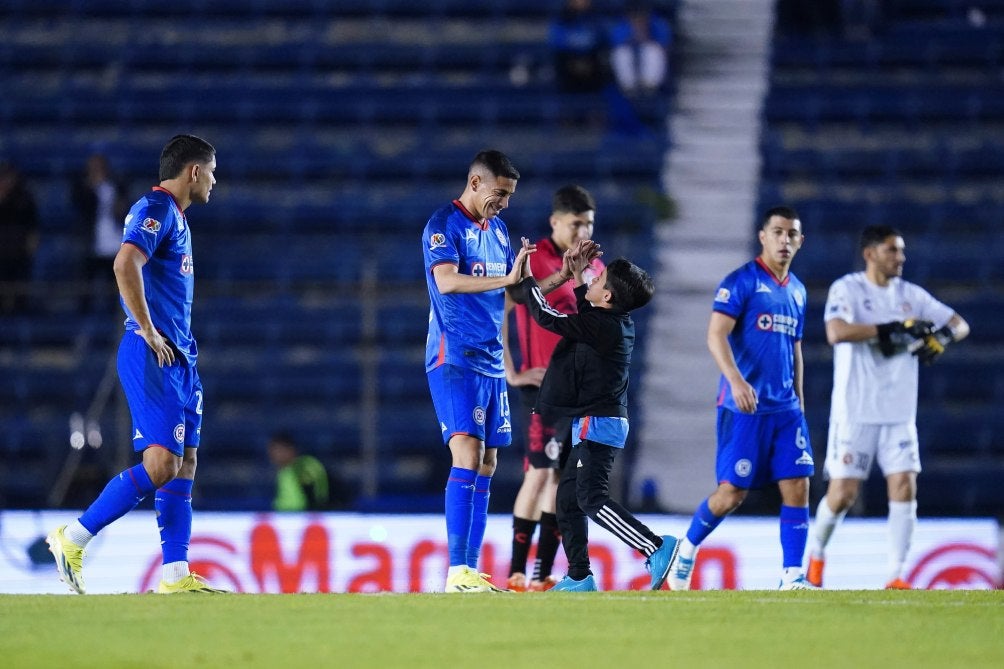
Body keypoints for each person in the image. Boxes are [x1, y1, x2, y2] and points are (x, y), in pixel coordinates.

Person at [46, 134, 224, 595]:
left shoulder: (176, 218)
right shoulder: (157, 207)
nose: (214, 179)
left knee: (184, 463)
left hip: (181, 358)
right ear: (193, 172)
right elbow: (125, 263)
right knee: (162, 463)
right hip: (153, 352)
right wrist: (145, 329)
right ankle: (75, 536)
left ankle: (175, 574)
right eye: (212, 170)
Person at [807, 225, 970, 589]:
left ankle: (896, 575)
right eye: (893, 250)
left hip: (898, 413)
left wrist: (942, 336)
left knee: (904, 485)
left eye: (902, 251)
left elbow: (961, 324)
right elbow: (836, 332)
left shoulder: (911, 295)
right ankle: (816, 553)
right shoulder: (848, 289)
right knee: (843, 494)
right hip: (855, 411)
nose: (901, 258)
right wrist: (889, 329)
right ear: (870, 254)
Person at [667, 205, 817, 591]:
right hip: (744, 406)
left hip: (785, 409)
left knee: (798, 484)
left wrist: (799, 399)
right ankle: (687, 547)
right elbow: (715, 334)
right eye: (778, 232)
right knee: (732, 493)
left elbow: (794, 349)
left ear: (800, 241)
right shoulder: (742, 281)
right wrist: (735, 381)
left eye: (792, 234)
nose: (785, 240)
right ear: (763, 236)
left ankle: (792, 575)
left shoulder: (797, 291)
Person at [516, 243, 679, 592]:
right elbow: (588, 314)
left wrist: (527, 278)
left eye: (598, 277)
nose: (592, 276)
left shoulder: (604, 327)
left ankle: (654, 545)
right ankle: (578, 575)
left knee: (591, 498)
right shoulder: (612, 320)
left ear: (606, 296)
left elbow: (547, 316)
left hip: (598, 422)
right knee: (567, 500)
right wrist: (576, 276)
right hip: (597, 420)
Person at [423, 149, 538, 593]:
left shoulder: (500, 230)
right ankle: (456, 571)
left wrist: (554, 278)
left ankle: (469, 569)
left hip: (490, 361)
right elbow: (448, 281)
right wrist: (508, 280)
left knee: (488, 463)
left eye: (509, 195)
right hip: (455, 357)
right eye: (500, 193)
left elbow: (510, 293)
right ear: (475, 183)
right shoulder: (443, 225)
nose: (505, 202)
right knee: (467, 455)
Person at [503, 184, 605, 592]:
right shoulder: (535, 259)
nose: (583, 231)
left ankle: (542, 573)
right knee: (540, 474)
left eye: (589, 224)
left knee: (562, 480)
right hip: (541, 387)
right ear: (556, 222)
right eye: (576, 223)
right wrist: (509, 369)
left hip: (578, 389)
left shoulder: (595, 268)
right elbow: (505, 306)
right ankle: (514, 571)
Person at [70, 152, 130, 313]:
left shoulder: (116, 186)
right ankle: (82, 329)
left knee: (115, 292)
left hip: (115, 244)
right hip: (92, 244)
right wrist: (90, 187)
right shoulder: (82, 188)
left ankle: (115, 324)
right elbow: (80, 206)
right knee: (86, 292)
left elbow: (125, 209)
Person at [608, 0, 672, 97]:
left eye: (641, 13)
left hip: (648, 54)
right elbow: (616, 42)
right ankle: (628, 87)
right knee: (621, 53)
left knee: (653, 50)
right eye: (635, 14)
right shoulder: (622, 24)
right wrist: (632, 36)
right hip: (630, 52)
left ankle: (650, 85)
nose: (638, 17)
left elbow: (664, 42)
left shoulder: (657, 23)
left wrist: (646, 38)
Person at [0, 161, 39, 314]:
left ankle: (20, 315)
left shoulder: (24, 198)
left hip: (19, 252)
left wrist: (31, 246)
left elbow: (33, 226)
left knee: (19, 288)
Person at [549, 0, 609, 93]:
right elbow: (557, 41)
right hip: (570, 60)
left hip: (590, 61)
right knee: (561, 61)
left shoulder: (595, 18)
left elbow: (600, 38)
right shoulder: (562, 18)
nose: (583, 2)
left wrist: (584, 44)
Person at [268, 432, 331, 512]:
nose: (275, 455)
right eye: (272, 450)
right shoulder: (283, 473)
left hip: (303, 517)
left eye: (279, 450)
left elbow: (319, 494)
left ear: (291, 450)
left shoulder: (305, 467)